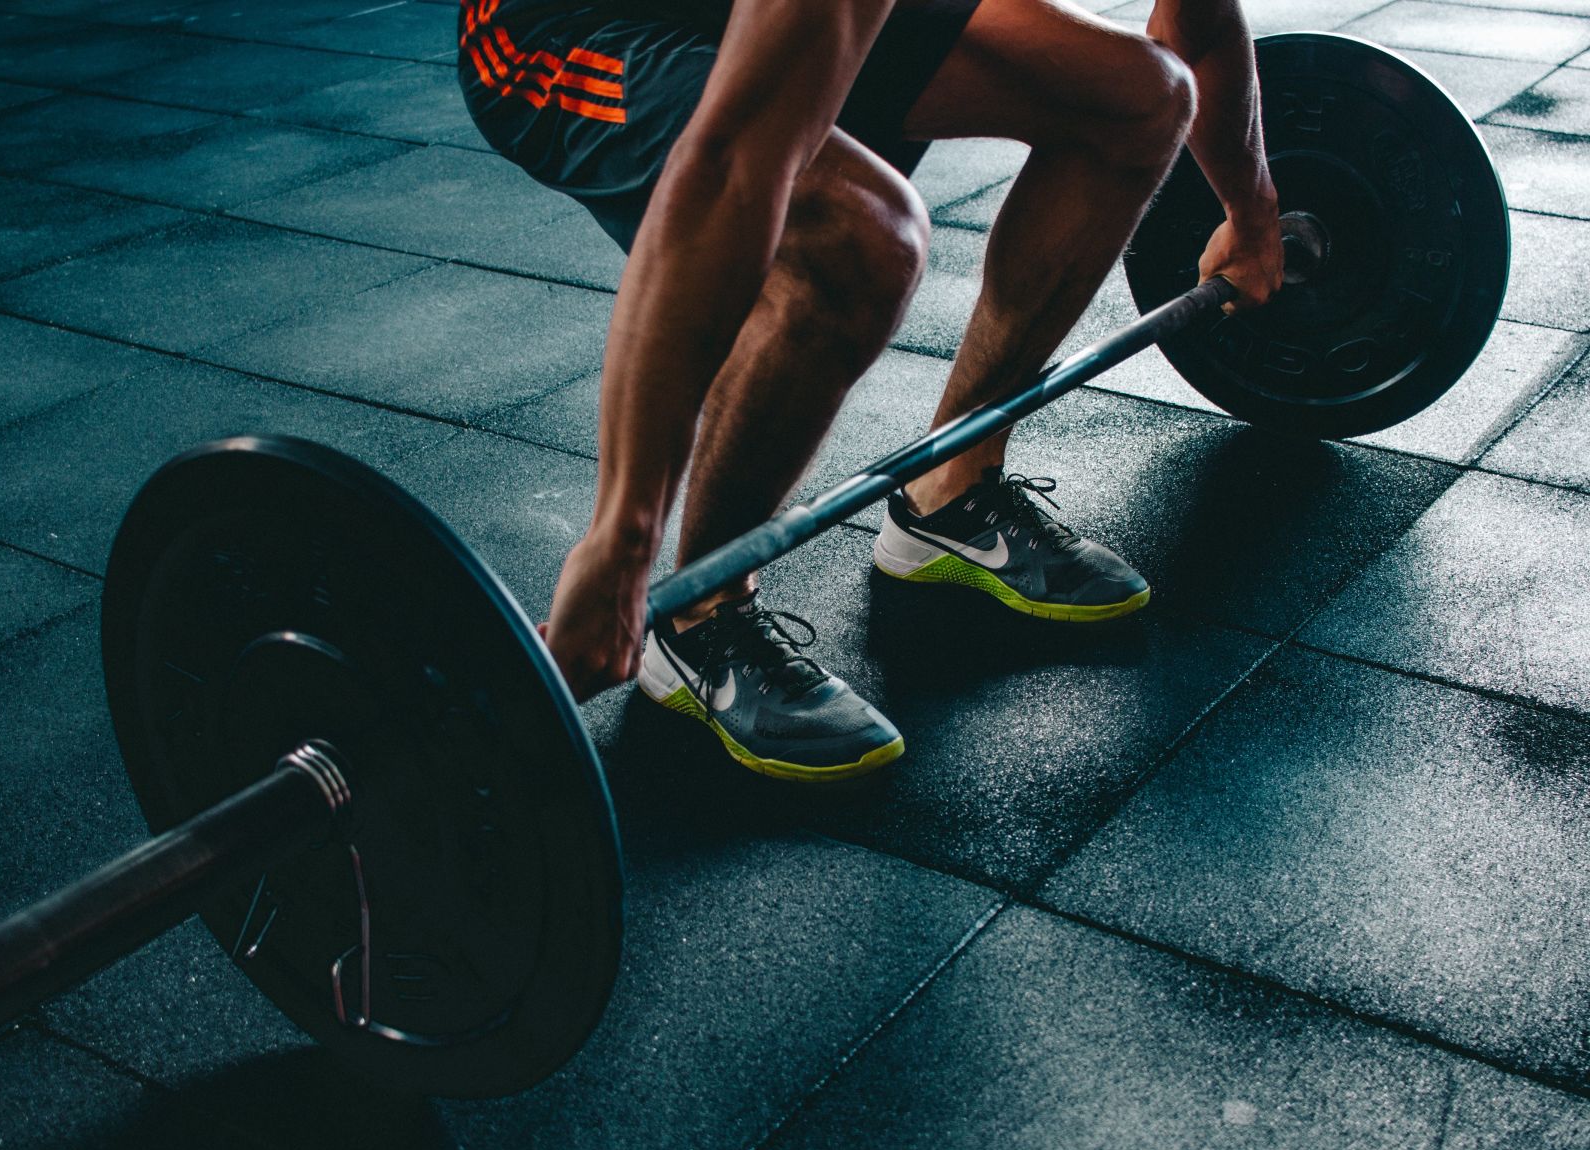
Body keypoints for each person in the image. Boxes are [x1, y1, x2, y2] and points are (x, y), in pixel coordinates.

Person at [459, 0, 1282, 781]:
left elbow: (1198, 30)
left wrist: (1251, 211)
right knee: (862, 235)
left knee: (1140, 98)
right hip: (566, 26)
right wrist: (621, 540)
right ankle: (700, 615)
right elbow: (734, 163)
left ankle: (949, 490)